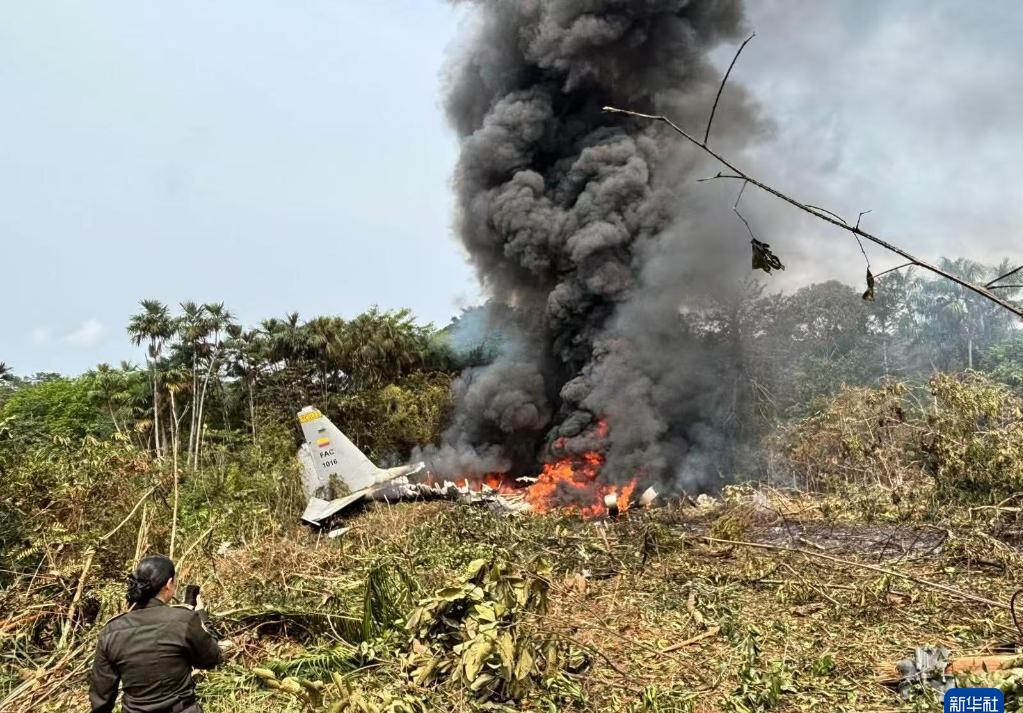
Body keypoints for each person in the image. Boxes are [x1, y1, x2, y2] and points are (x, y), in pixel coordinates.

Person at [89, 555, 222, 713]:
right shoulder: (183, 620)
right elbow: (212, 658)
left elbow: (101, 698)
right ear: (168, 585)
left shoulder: (111, 631)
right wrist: (201, 616)